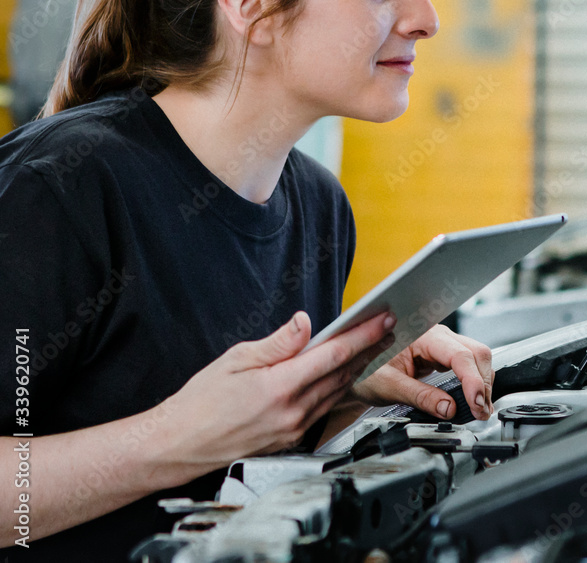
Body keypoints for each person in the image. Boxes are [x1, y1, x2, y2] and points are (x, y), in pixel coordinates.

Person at [0, 0, 496, 560]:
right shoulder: (56, 191)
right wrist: (174, 440)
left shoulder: (320, 206)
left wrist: (335, 384)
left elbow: (239, 464)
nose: (425, 19)